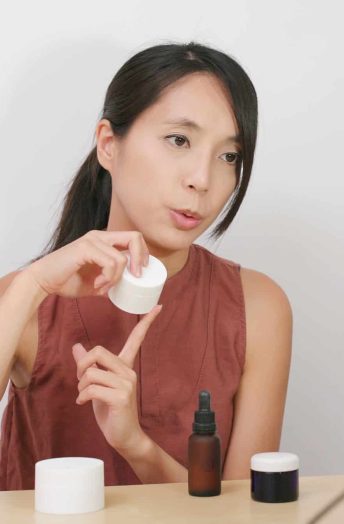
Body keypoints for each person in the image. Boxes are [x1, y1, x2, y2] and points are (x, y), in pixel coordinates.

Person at [0, 42, 293, 490]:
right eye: (179, 140)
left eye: (229, 156)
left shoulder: (258, 306)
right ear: (108, 145)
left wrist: (136, 445)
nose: (202, 179)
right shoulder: (24, 299)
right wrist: (33, 284)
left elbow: (245, 514)